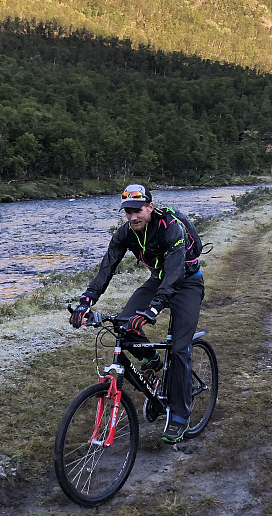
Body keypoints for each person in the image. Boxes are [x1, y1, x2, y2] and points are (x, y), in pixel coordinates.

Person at [69, 184, 204, 444]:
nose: (133, 217)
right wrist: (86, 301)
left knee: (178, 349)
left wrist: (154, 308)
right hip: (159, 280)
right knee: (125, 325)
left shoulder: (170, 228)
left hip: (187, 282)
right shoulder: (126, 233)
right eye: (128, 212)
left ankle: (179, 416)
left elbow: (175, 272)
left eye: (138, 210)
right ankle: (152, 360)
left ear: (150, 207)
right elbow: (107, 266)